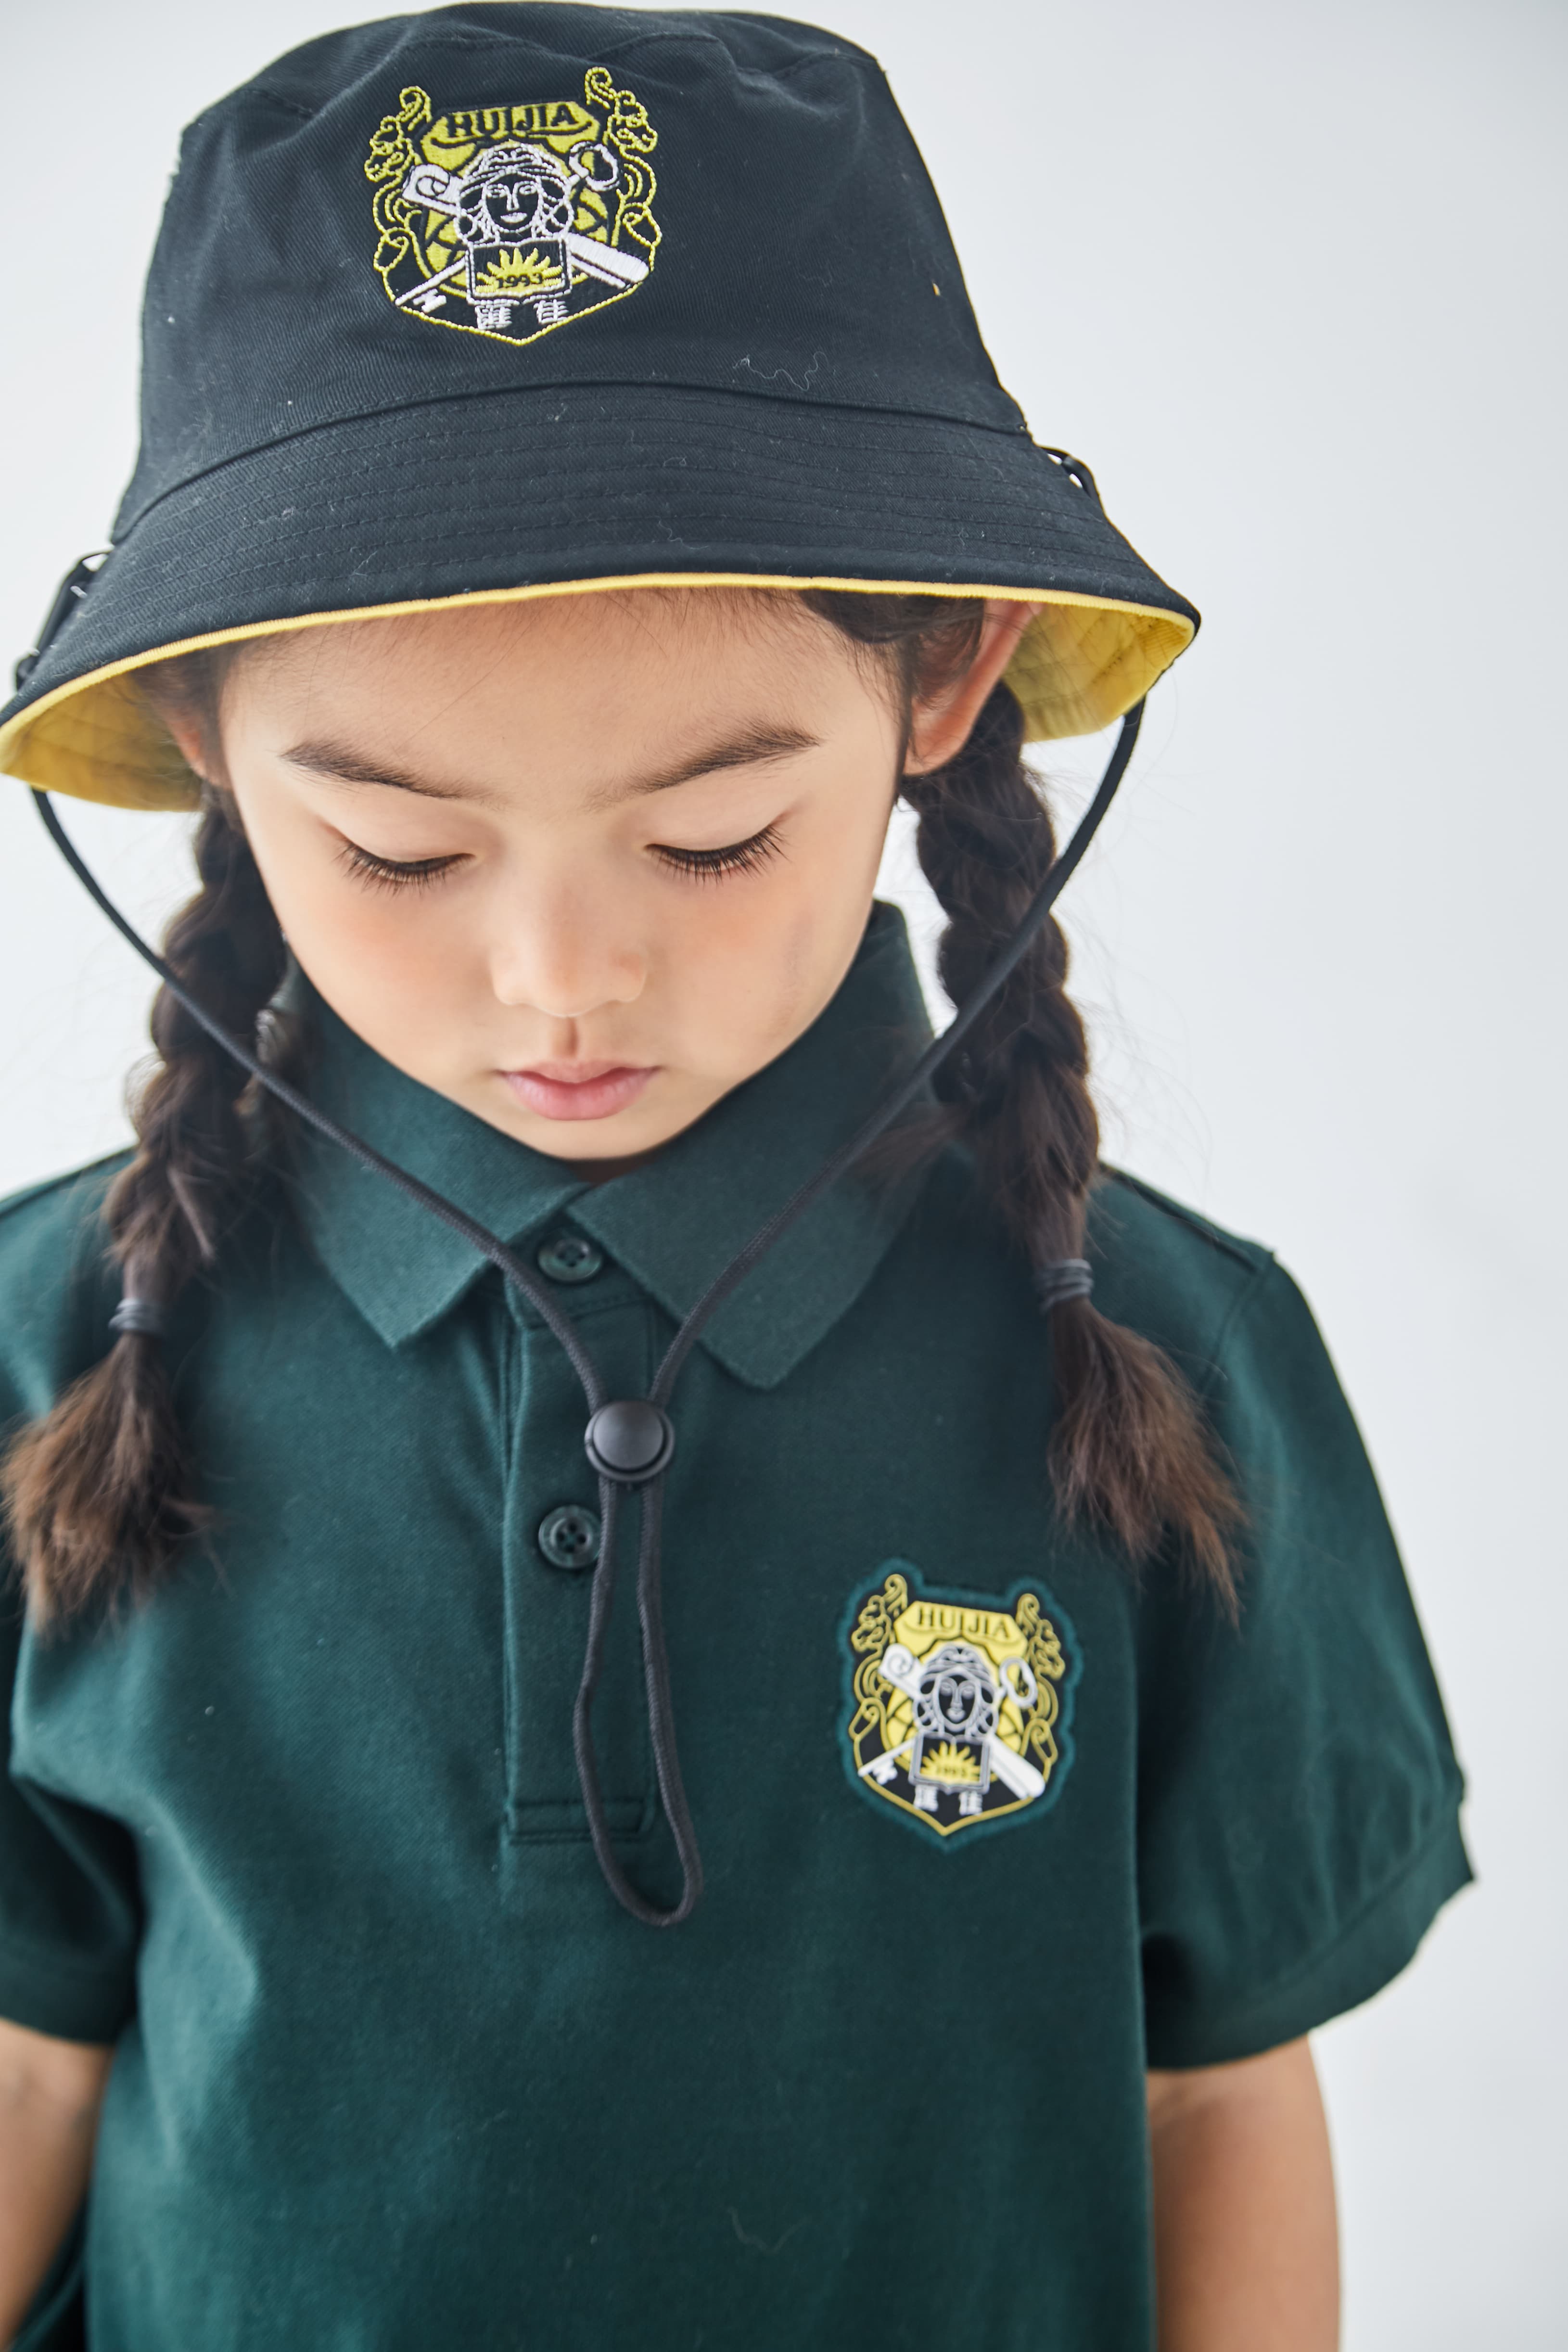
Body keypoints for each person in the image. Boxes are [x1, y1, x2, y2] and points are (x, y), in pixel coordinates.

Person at [0, 7, 1468, 2348]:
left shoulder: (1169, 1361)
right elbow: (31, 2056)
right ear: (200, 736)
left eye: (711, 835)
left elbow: (1215, 2099)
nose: (558, 977)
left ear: (943, 677)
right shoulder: (53, 1346)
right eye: (396, 845)